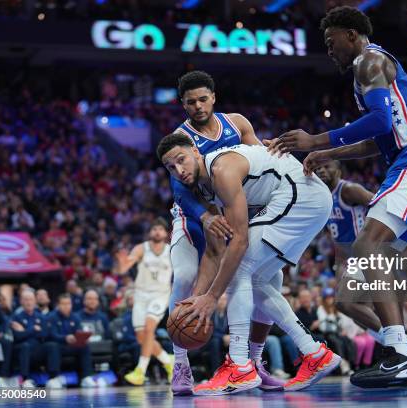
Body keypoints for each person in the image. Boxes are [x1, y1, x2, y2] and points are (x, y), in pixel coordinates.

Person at [264, 6, 407, 388]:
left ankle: (400, 351)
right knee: (369, 261)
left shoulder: (369, 61)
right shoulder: (366, 72)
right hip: (405, 157)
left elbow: (382, 123)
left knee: (370, 246)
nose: (329, 50)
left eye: (331, 41)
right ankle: (399, 348)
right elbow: (378, 138)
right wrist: (328, 154)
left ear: (351, 34)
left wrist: (316, 139)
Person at [158, 135, 341, 395]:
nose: (179, 170)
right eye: (170, 167)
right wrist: (198, 301)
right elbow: (213, 252)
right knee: (253, 279)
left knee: (238, 270)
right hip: (309, 200)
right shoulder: (204, 187)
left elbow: (240, 241)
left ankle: (240, 366)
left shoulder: (221, 170)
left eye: (181, 160)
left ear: (196, 152)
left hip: (301, 195)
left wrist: (212, 297)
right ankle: (314, 353)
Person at [166, 70, 286, 395]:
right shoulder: (182, 138)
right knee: (186, 275)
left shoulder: (237, 123)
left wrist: (276, 150)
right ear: (183, 104)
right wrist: (204, 216)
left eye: (203, 99)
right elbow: (179, 190)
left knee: (272, 282)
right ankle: (180, 364)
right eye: (190, 102)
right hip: (196, 218)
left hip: (236, 216)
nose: (198, 106)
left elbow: (260, 161)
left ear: (213, 97)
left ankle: (254, 363)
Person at [115, 218, 174, 385]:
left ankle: (140, 371)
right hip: (141, 296)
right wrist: (121, 262)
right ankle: (168, 361)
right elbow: (123, 269)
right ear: (150, 232)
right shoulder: (141, 248)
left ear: (166, 233)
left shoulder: (171, 251)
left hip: (160, 296)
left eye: (160, 229)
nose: (157, 232)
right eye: (154, 229)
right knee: (142, 338)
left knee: (149, 329)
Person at [45, 294, 96, 389]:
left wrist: (82, 338)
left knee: (84, 346)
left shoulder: (75, 317)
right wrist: (65, 338)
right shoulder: (52, 317)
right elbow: (52, 334)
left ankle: (86, 377)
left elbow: (79, 331)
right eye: (63, 304)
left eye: (68, 304)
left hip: (71, 345)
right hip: (58, 345)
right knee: (53, 346)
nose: (66, 306)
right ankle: (54, 378)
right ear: (58, 305)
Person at [11, 290, 53, 388]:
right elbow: (17, 336)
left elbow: (45, 334)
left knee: (52, 346)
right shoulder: (16, 317)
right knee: (25, 346)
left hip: (37, 347)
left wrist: (25, 331)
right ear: (21, 301)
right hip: (22, 348)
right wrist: (33, 330)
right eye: (25, 300)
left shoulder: (41, 317)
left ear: (35, 301)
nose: (28, 302)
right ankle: (25, 379)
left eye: (30, 300)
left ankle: (53, 378)